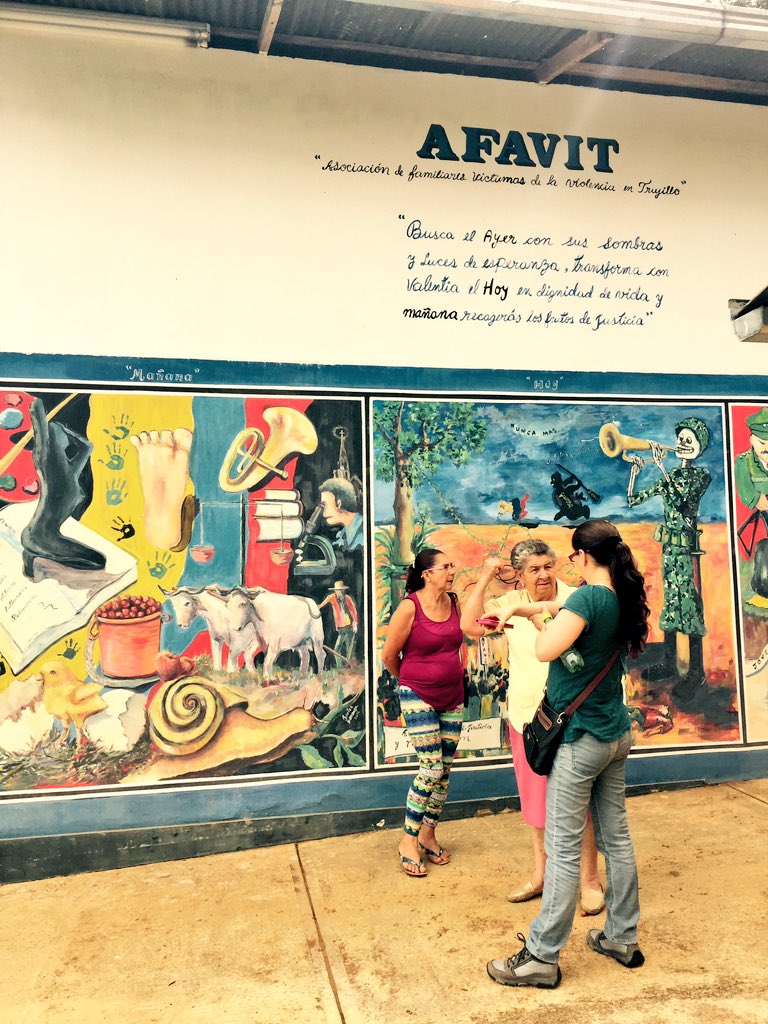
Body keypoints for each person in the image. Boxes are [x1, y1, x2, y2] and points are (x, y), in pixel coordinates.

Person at [486, 520, 650, 989]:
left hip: (581, 741)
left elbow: (545, 648)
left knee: (561, 848)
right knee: (617, 839)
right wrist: (522, 607)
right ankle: (621, 937)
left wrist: (536, 621)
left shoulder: (587, 598)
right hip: (615, 734)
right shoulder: (619, 595)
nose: (570, 562)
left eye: (573, 555)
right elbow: (556, 608)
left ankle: (541, 955)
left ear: (583, 556)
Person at [461, 539, 604, 915]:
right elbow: (469, 626)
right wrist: (486, 575)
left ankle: (590, 881)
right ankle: (541, 875)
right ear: (520, 576)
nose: (543, 575)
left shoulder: (577, 599)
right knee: (535, 804)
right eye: (533, 569)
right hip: (528, 719)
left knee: (581, 805)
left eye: (547, 566)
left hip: (573, 719)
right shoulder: (510, 605)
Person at [382, 548, 465, 878]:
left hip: (453, 696)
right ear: (427, 574)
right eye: (446, 566)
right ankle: (408, 839)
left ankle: (428, 834)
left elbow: (460, 641)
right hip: (417, 694)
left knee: (444, 770)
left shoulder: (454, 602)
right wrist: (411, 681)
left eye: (451, 565)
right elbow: (389, 656)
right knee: (431, 767)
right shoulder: (409, 607)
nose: (452, 570)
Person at [626, 417, 711, 702]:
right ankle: (670, 662)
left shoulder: (700, 477)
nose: (682, 444)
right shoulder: (671, 475)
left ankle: (696, 672)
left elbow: (682, 504)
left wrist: (661, 467)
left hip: (687, 550)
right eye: (680, 439)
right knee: (672, 605)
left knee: (690, 606)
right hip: (670, 551)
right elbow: (633, 500)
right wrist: (635, 473)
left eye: (689, 440)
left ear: (700, 447)